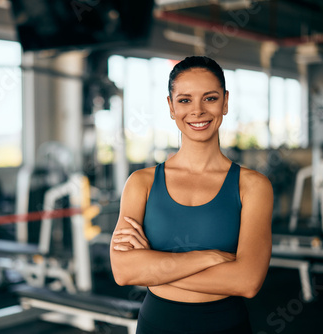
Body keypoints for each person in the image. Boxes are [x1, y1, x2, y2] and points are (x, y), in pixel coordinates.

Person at [110, 56, 273, 333]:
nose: (197, 111)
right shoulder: (141, 183)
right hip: (156, 324)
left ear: (225, 102)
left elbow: (247, 281)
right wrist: (207, 257)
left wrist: (152, 267)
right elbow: (124, 271)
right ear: (171, 106)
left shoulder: (253, 186)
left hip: (226, 325)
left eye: (209, 98)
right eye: (185, 100)